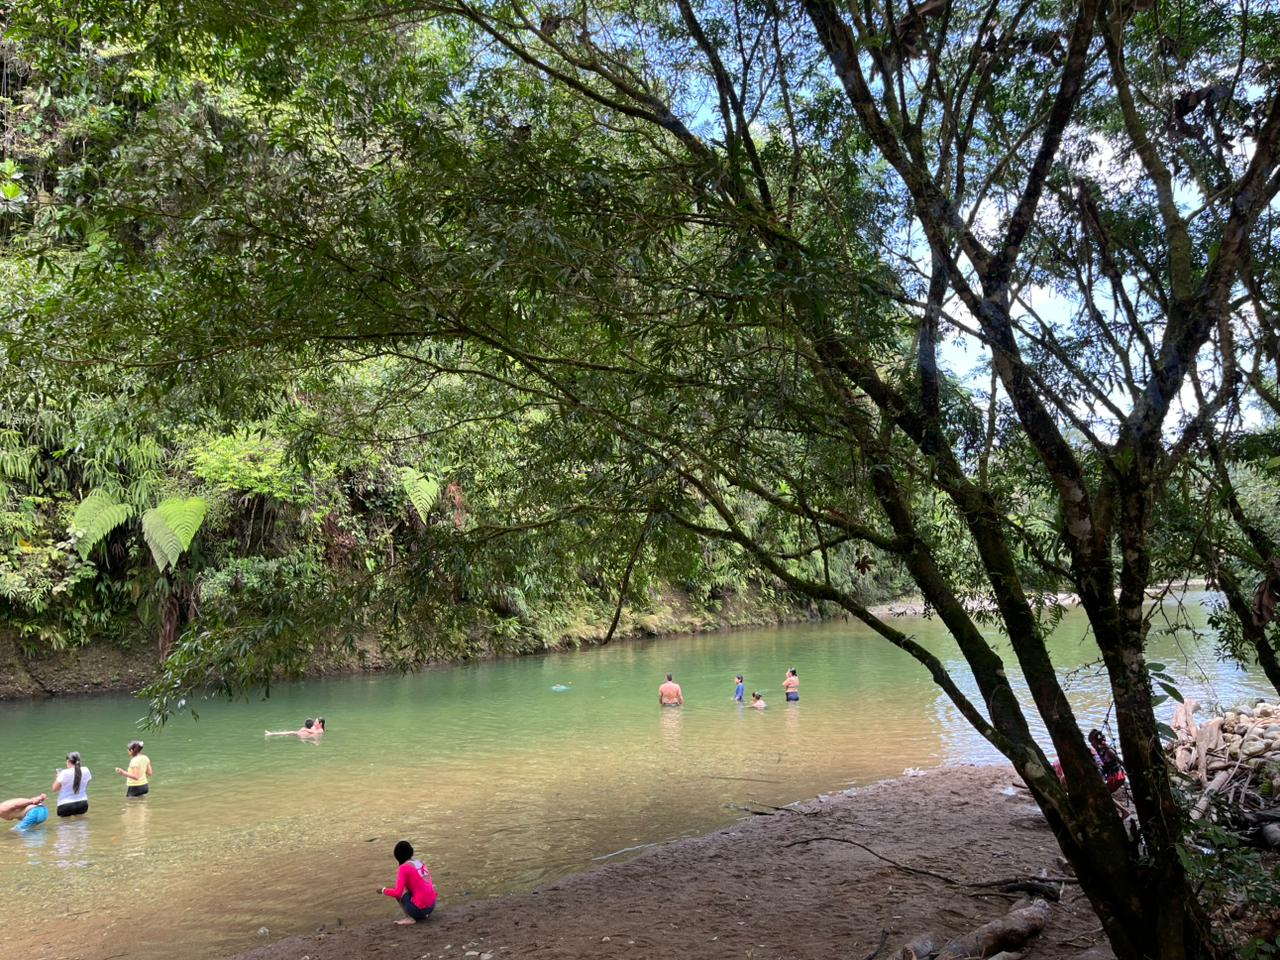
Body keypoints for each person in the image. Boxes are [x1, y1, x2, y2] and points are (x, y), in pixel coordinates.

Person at [378, 840, 437, 925]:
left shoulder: (404, 867)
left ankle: (409, 918)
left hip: (419, 911)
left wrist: (383, 890)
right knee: (416, 886)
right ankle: (423, 913)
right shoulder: (420, 862)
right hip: (432, 906)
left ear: (397, 857)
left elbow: (397, 893)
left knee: (399, 889)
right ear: (412, 852)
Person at [52, 751, 91, 818]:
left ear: (68, 761)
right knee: (81, 825)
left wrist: (58, 777)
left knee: (66, 826)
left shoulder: (63, 773)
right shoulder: (86, 770)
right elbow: (86, 785)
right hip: (82, 803)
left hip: (65, 805)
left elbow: (54, 789)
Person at [1089, 729, 1126, 793]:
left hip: (1117, 777)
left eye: (1092, 743)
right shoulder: (1100, 751)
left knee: (1102, 794)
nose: (1092, 745)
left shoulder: (1108, 750)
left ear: (1097, 741)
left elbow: (1120, 761)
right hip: (1112, 777)